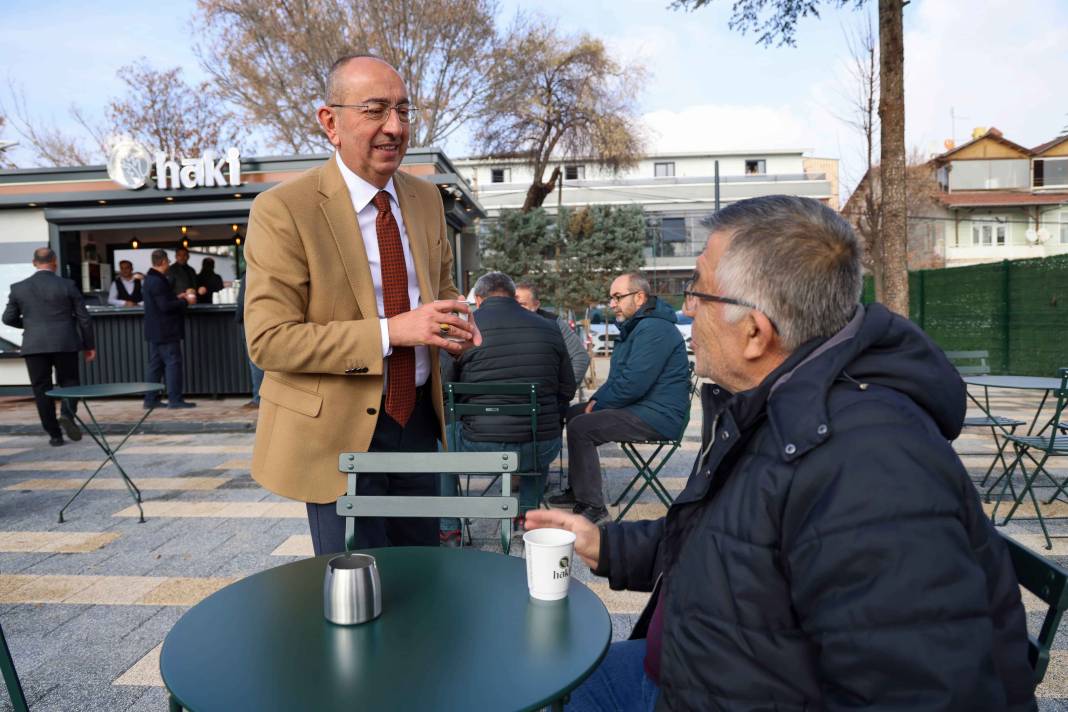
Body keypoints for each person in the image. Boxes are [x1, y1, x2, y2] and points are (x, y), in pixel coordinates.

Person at [525, 195, 1035, 711]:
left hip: (721, 690)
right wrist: (605, 545)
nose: (687, 309)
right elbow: (729, 541)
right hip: (695, 670)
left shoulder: (869, 465)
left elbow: (925, 691)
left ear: (754, 332)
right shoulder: (778, 408)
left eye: (697, 292)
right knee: (556, 681)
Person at [243, 54, 478, 556]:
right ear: (330, 121)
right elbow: (269, 341)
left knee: (422, 572)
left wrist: (455, 319)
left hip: (416, 420)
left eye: (404, 111)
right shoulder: (283, 210)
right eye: (375, 110)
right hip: (337, 434)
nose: (395, 127)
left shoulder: (427, 198)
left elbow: (440, 289)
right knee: (358, 585)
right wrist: (394, 332)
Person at [548, 272, 689, 523]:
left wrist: (599, 405)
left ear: (640, 297)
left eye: (617, 297)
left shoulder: (654, 329)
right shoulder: (637, 327)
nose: (612, 304)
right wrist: (596, 401)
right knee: (574, 414)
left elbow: (633, 384)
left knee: (582, 427)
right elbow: (617, 380)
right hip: (643, 407)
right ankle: (579, 490)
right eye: (611, 298)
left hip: (658, 416)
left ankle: (593, 506)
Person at [441, 272, 575, 521]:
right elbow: (567, 388)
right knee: (543, 429)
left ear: (478, 300)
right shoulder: (550, 327)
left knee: (441, 441)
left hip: (476, 445)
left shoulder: (462, 329)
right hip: (537, 447)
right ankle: (527, 516)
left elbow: (444, 389)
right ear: (514, 297)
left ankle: (449, 526)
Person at [2, 247, 95, 446]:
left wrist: (30, 325)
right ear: (54, 262)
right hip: (65, 342)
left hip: (34, 345)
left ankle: (54, 435)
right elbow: (84, 318)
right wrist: (89, 345)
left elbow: (7, 318)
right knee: (70, 383)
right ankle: (68, 416)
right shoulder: (67, 285)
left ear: (34, 262)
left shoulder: (19, 288)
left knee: (41, 388)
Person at [142, 249, 197, 409]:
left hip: (155, 331)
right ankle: (175, 400)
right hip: (166, 330)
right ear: (163, 262)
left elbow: (162, 301)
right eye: (167, 260)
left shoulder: (150, 279)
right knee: (173, 364)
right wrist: (186, 302)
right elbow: (165, 306)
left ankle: (150, 399)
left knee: (155, 366)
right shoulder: (158, 281)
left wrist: (177, 297)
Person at [515, 280, 589, 388]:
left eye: (522, 305)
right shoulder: (500, 324)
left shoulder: (554, 323)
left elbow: (580, 357)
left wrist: (562, 391)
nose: (517, 309)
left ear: (536, 305)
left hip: (547, 399)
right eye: (513, 304)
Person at [234, 276, 263, 409]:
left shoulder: (250, 273)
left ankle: (258, 398)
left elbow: (242, 302)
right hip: (267, 320)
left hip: (251, 321)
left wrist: (238, 318)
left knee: (255, 362)